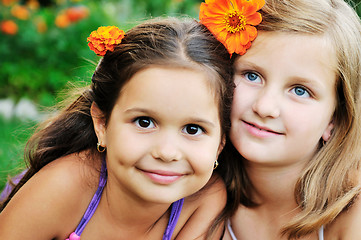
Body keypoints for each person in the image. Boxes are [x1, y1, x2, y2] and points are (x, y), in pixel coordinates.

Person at [0, 17, 235, 239]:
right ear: (102, 123)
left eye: (193, 129)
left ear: (220, 143)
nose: (166, 152)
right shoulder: (63, 187)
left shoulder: (204, 202)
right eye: (144, 122)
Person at [200, 0, 361, 239]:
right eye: (252, 75)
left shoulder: (352, 214)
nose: (265, 107)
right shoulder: (195, 197)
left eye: (299, 90)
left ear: (334, 119)